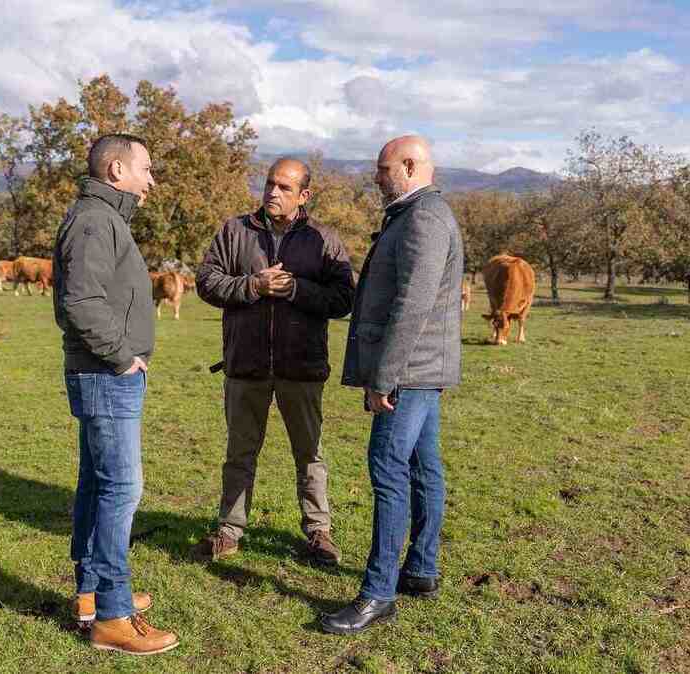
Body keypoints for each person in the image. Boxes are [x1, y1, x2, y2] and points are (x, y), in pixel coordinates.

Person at [321, 136, 464, 635]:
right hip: (425, 370)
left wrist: (384, 376)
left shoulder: (423, 217)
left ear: (409, 165)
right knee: (425, 465)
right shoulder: (418, 212)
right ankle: (421, 569)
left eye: (383, 170)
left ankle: (378, 592)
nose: (377, 178)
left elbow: (414, 304)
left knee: (387, 468)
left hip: (410, 371)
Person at [195, 158, 355, 565]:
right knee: (240, 453)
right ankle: (229, 531)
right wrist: (253, 285)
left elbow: (343, 299)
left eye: (285, 188)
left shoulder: (324, 239)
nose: (272, 193)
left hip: (301, 369)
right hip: (245, 366)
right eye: (269, 184)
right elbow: (206, 282)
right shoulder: (235, 231)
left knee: (309, 454)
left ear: (304, 196)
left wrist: (296, 290)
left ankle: (319, 532)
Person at [54, 133, 178, 655]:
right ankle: (111, 613)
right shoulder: (94, 221)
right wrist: (123, 356)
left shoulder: (105, 218)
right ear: (115, 170)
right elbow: (81, 301)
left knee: (97, 483)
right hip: (108, 374)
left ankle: (93, 591)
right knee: (120, 489)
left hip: (106, 373)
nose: (151, 179)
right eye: (145, 168)